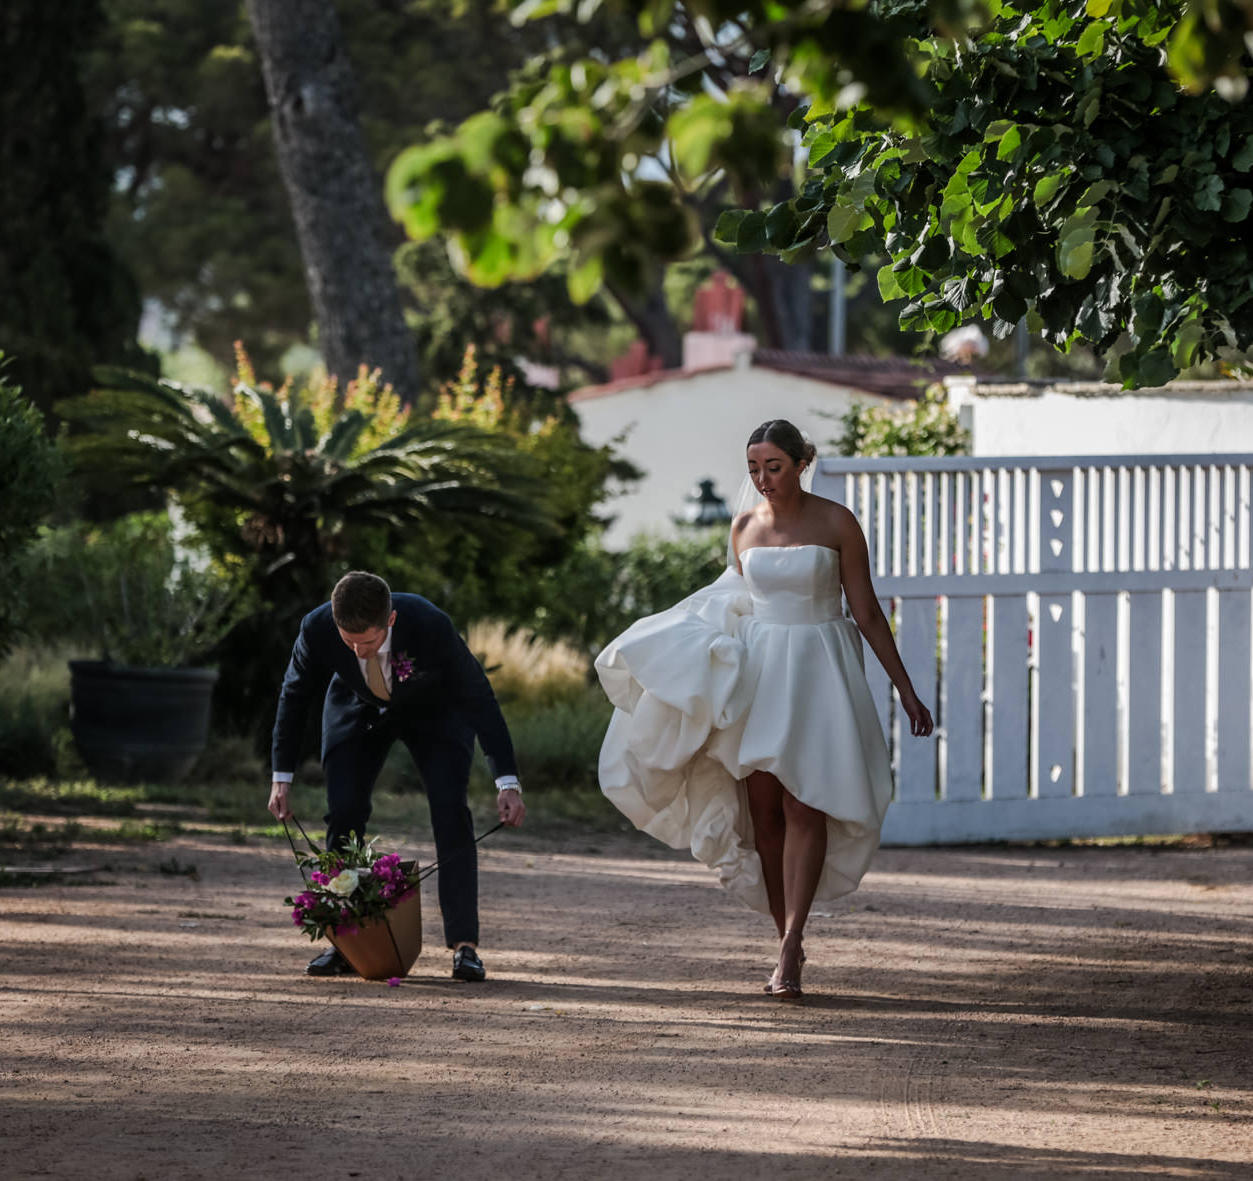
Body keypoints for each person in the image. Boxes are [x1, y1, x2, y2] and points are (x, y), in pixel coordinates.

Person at [595, 419, 933, 1000]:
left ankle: (789, 943)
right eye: (753, 467)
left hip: (821, 667)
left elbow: (868, 612)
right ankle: (788, 939)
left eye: (773, 466)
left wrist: (904, 687)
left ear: (803, 461)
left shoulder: (837, 522)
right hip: (761, 671)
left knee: (809, 803)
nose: (762, 479)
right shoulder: (744, 525)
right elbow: (732, 602)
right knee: (765, 813)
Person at [267, 571, 526, 982]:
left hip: (435, 711)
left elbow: (478, 696)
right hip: (356, 708)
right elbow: (294, 694)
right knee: (345, 810)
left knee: (449, 808)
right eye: (348, 641)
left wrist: (506, 781)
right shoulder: (316, 626)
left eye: (367, 643)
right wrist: (282, 777)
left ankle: (464, 946)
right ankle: (346, 944)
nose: (358, 651)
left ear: (390, 621)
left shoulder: (429, 624)